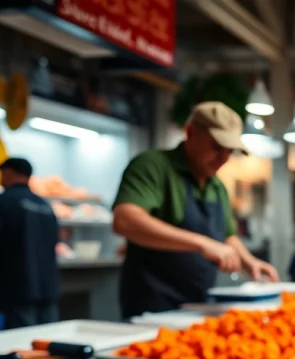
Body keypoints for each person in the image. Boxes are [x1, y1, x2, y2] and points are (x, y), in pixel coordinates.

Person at [112, 101, 279, 319]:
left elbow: (228, 236)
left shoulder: (216, 186)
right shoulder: (153, 166)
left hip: (198, 305)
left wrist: (250, 263)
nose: (223, 158)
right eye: (217, 147)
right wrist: (202, 243)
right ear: (190, 133)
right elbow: (125, 220)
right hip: (151, 308)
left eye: (230, 151)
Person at [0, 158, 61, 329]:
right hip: (48, 289)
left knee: (20, 343)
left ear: (8, 173)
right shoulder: (45, 206)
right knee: (46, 343)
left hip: (14, 288)